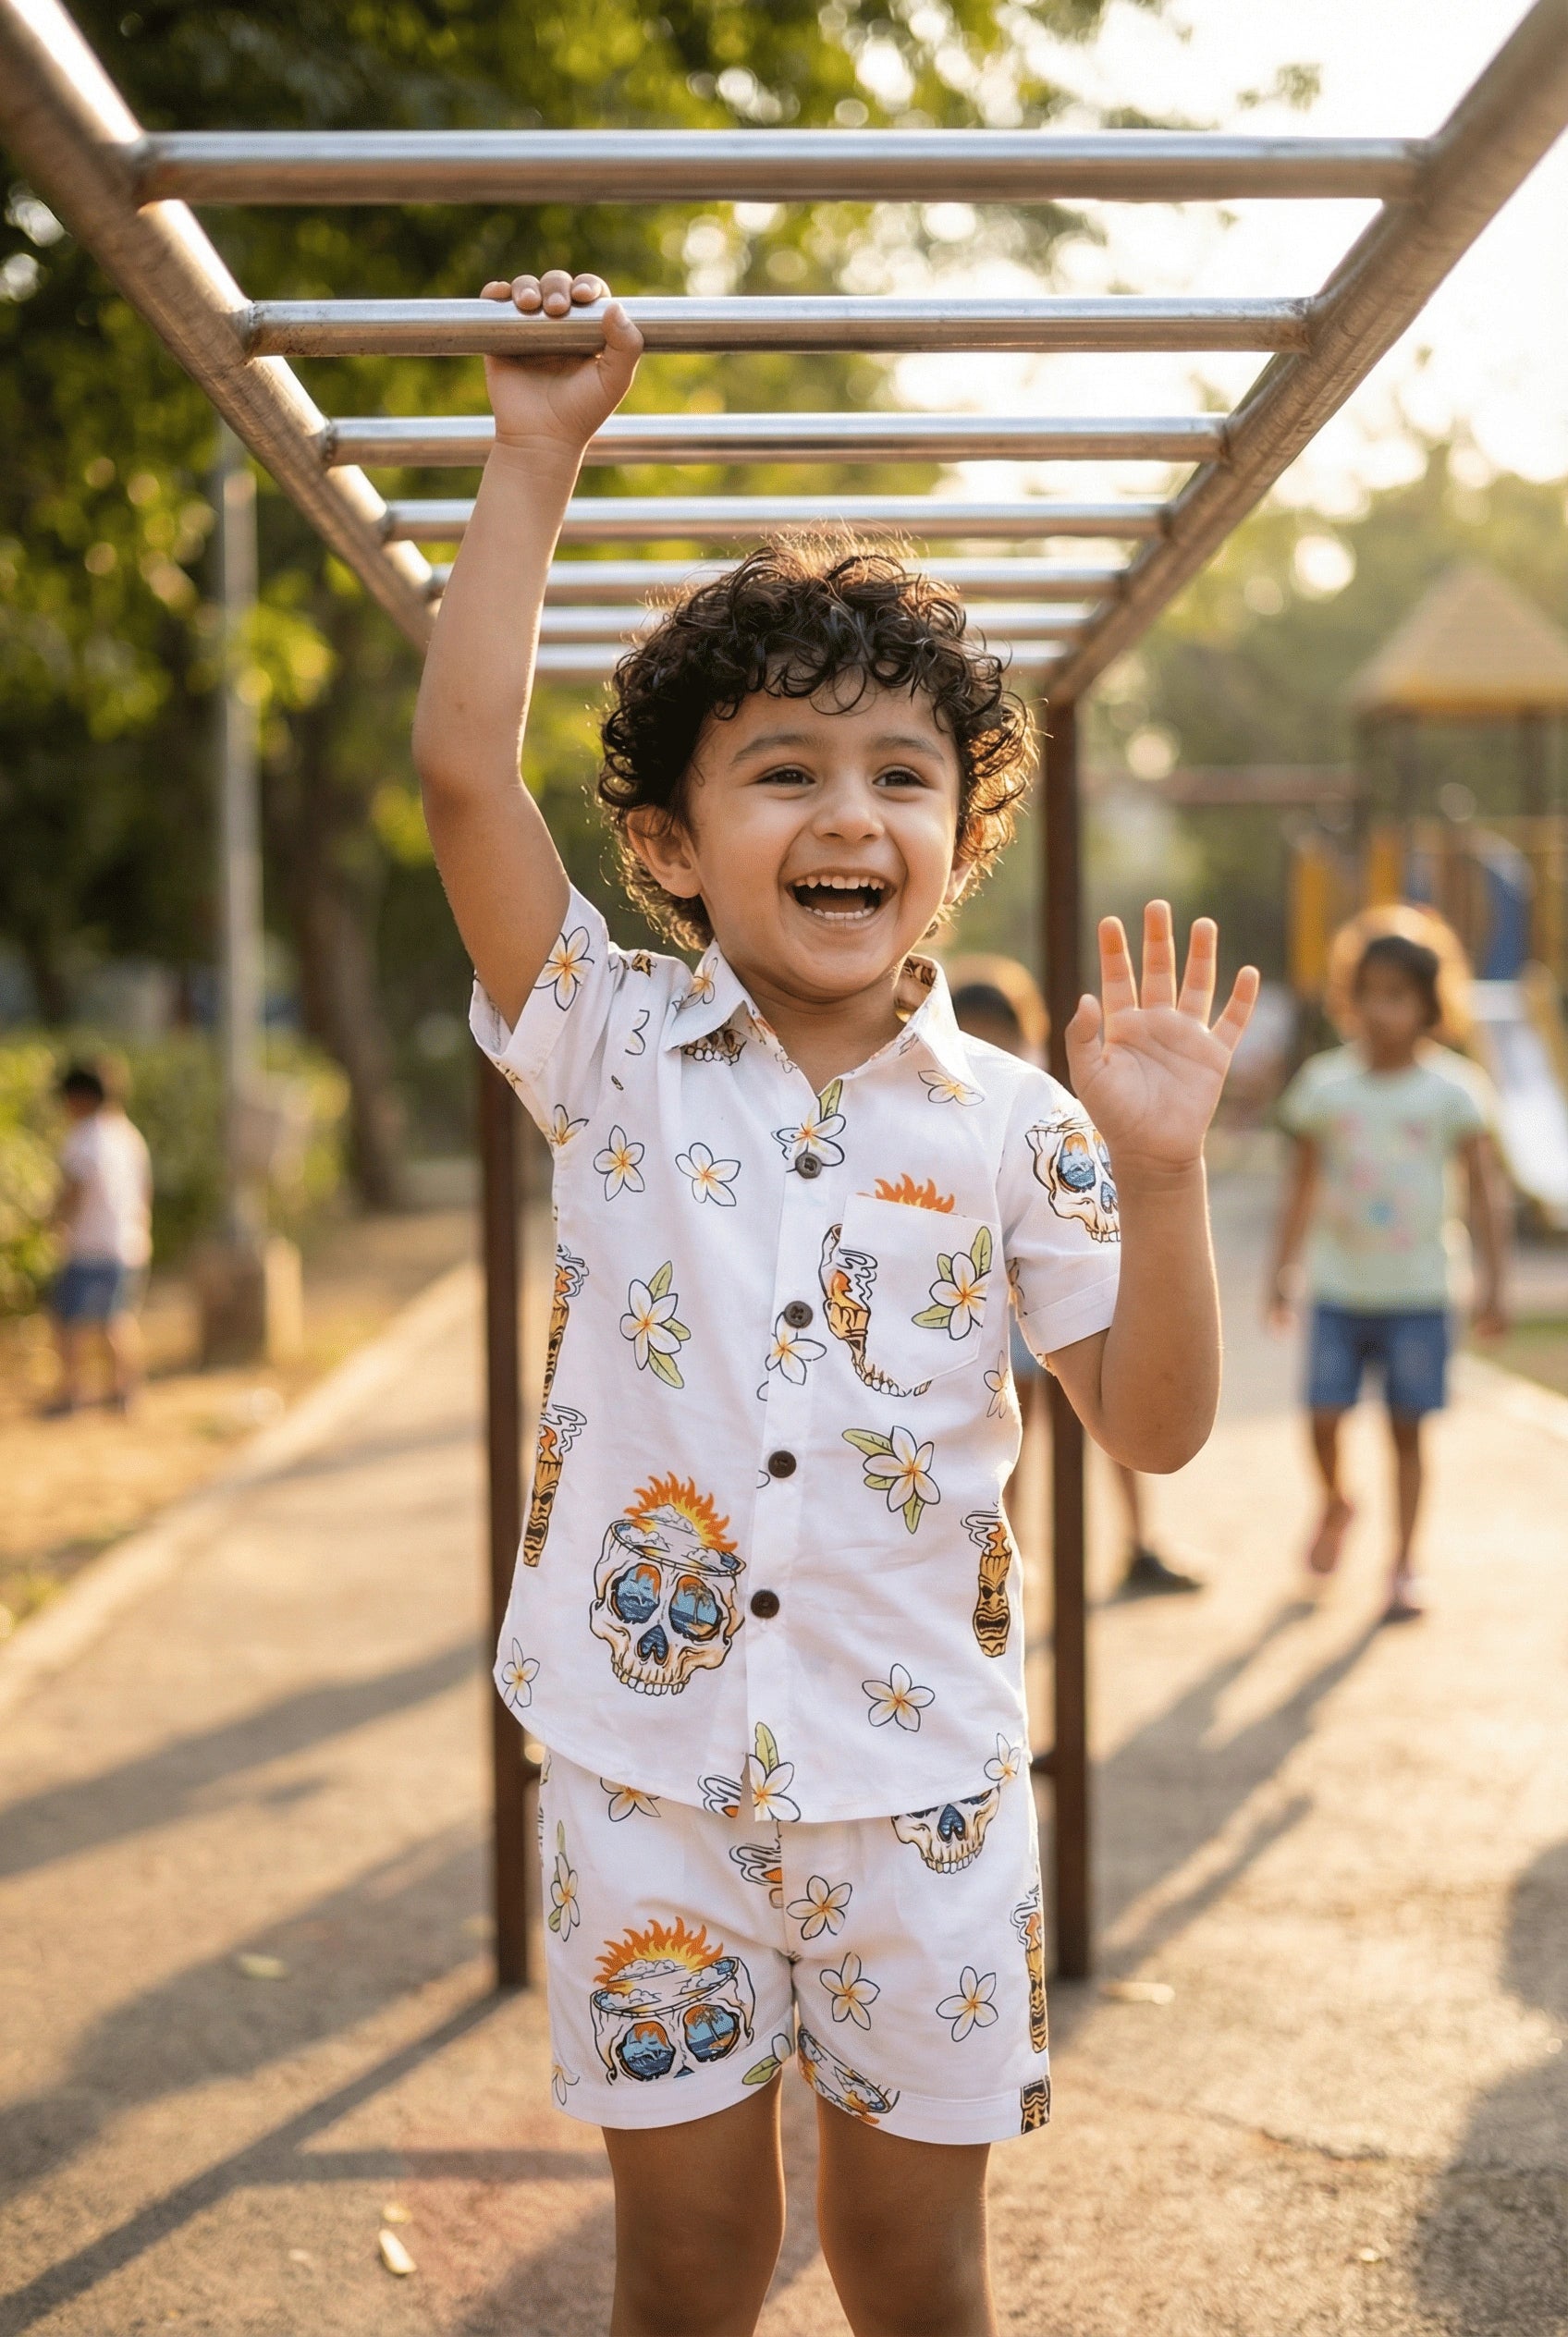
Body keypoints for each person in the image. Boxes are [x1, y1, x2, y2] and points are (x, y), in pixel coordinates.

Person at [413, 265, 1258, 2337]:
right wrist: (533, 455)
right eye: (777, 770)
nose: (842, 811)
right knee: (687, 2266)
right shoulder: (600, 1046)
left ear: (955, 839)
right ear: (673, 845)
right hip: (645, 1778)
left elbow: (1146, 1429)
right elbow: (459, 783)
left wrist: (1159, 1184)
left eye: (894, 772)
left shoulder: (1017, 1125)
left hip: (925, 1804)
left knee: (911, 2271)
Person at [1268, 908, 1509, 1623]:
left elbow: (1487, 1193)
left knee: (1407, 1431)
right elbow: (1301, 1187)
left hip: (1419, 1292)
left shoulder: (1454, 1091)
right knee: (1322, 1416)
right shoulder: (1324, 1086)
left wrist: (1494, 1281)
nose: (1381, 1009)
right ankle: (1338, 1500)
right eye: (1369, 992)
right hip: (1340, 1289)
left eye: (1398, 995)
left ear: (1430, 1005)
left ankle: (1404, 1564)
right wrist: (1280, 1271)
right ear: (1350, 995)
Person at [947, 956, 1204, 1600]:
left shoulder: (1055, 1110)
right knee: (1009, 1437)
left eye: (995, 1036)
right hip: (997, 1320)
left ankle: (1139, 1541)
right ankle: (1013, 1552)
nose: (982, 1049)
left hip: (1069, 1293)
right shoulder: (938, 1113)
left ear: (1024, 1035)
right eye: (967, 1034)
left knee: (1111, 1418)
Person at [44, 1058, 152, 1415]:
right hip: (128, 1241)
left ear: (80, 1098)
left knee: (69, 1322)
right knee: (115, 1319)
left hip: (90, 1243)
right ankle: (124, 1391)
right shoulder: (127, 1134)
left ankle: (73, 1394)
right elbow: (144, 1190)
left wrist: (56, 1222)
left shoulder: (84, 1137)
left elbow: (75, 1188)